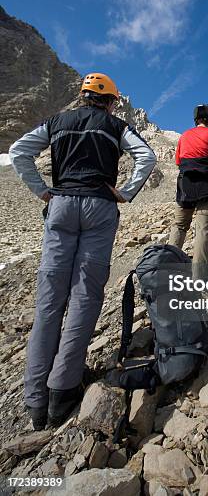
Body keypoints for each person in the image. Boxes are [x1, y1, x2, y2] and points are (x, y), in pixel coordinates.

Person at [9, 73, 156, 430]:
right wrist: (126, 191)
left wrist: (43, 191)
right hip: (99, 209)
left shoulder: (57, 121)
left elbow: (18, 151)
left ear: (84, 96)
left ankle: (35, 400)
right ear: (109, 101)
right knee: (85, 296)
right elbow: (147, 156)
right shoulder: (115, 125)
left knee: (48, 300)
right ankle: (63, 390)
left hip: (60, 205)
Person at [169, 104, 208, 277]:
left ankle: (169, 268)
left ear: (196, 119)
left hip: (186, 184)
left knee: (179, 225)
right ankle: (198, 276)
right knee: (203, 228)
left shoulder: (184, 136)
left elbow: (178, 162)